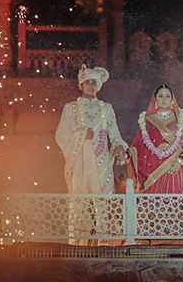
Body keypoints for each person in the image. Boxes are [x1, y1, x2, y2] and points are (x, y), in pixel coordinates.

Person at [54, 66, 129, 195]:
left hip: (102, 162)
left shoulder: (107, 108)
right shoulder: (71, 108)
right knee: (81, 203)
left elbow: (115, 135)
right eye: (87, 82)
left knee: (104, 203)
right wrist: (81, 135)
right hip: (80, 162)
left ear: (99, 85)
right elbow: (60, 135)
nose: (90, 85)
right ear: (80, 85)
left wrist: (120, 147)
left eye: (94, 82)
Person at [132, 85, 183, 194]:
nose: (164, 99)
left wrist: (179, 161)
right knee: (153, 206)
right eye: (161, 96)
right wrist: (127, 153)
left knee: (176, 205)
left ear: (172, 100)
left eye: (167, 96)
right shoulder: (148, 121)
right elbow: (138, 146)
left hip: (175, 169)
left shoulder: (180, 120)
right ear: (155, 100)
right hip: (154, 171)